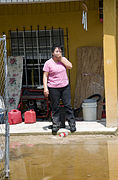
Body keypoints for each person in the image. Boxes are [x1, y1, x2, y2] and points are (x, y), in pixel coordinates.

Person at [43, 45, 76, 135]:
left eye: (60, 51)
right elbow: (45, 76)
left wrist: (61, 59)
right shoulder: (48, 63)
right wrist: (45, 88)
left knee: (67, 105)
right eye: (57, 51)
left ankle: (72, 124)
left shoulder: (63, 60)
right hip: (53, 87)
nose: (59, 53)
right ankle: (56, 124)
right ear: (52, 53)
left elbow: (70, 66)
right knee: (55, 106)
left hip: (65, 86)